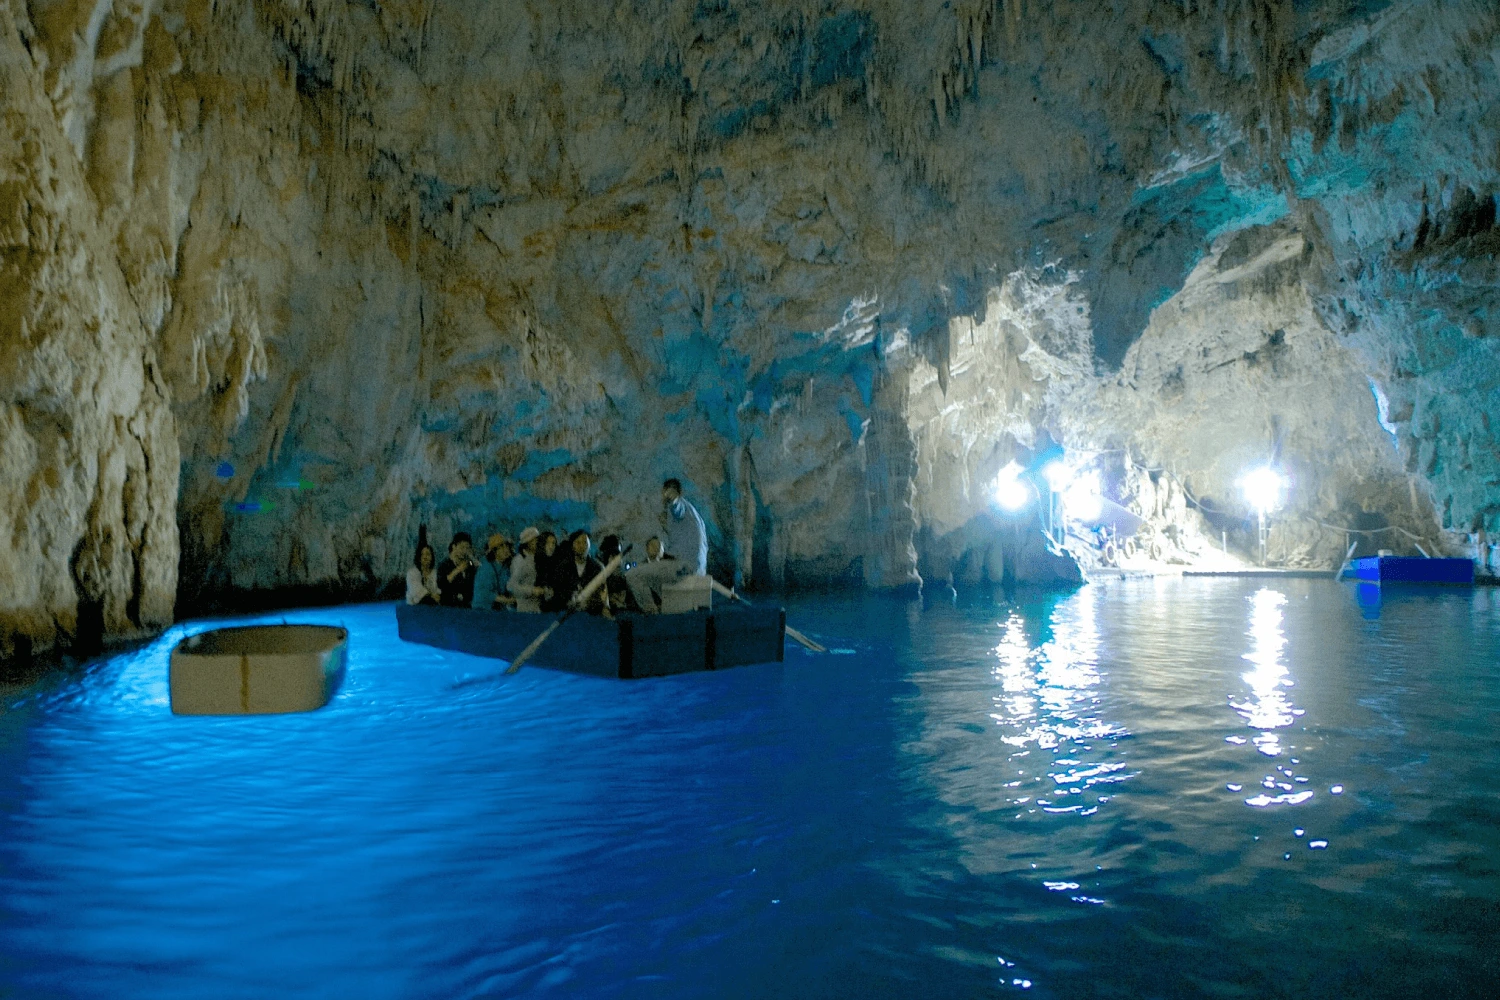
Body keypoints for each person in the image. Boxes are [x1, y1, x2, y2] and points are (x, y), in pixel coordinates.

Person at [626, 478, 707, 612]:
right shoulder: (695, 514)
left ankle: (651, 612)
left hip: (684, 567)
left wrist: (672, 497)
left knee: (633, 575)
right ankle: (664, 607)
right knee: (655, 577)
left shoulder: (679, 507)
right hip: (697, 570)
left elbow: (676, 507)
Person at [547, 529, 610, 615]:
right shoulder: (563, 567)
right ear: (572, 546)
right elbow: (557, 592)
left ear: (589, 545)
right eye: (578, 542)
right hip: (568, 614)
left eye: (585, 542)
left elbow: (603, 593)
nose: (581, 546)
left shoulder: (597, 568)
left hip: (591, 614)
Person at [507, 526, 552, 613]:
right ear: (527, 542)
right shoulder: (519, 560)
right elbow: (512, 586)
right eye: (535, 540)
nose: (538, 543)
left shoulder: (540, 558)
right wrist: (532, 590)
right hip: (524, 609)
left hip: (538, 608)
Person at [473, 533, 516, 610]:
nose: (506, 550)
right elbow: (485, 593)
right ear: (494, 551)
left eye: (507, 546)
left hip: (498, 609)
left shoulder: (506, 567)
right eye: (501, 547)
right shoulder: (486, 569)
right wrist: (506, 600)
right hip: (483, 609)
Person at [437, 532, 479, 608]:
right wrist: (457, 570)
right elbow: (441, 584)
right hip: (448, 607)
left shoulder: (470, 564)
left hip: (466, 607)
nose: (464, 551)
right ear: (454, 546)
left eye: (467, 548)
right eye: (462, 547)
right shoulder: (444, 565)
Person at [405, 541, 440, 606]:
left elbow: (438, 589)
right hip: (415, 606)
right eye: (422, 554)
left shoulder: (435, 573)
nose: (425, 557)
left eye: (428, 554)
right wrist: (431, 595)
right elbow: (416, 592)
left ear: (432, 557)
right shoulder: (412, 573)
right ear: (419, 557)